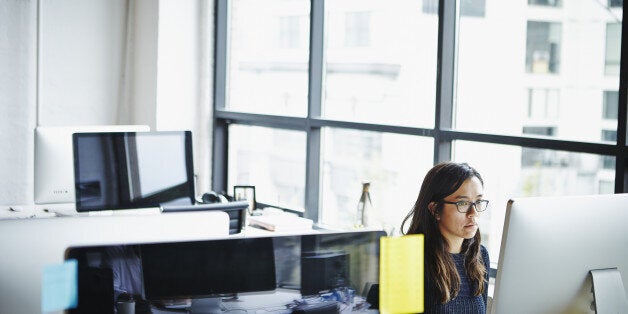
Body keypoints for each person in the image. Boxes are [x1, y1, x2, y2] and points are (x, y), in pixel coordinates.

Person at [401, 161, 490, 313]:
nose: (473, 212)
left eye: (478, 202)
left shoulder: (480, 255)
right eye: (462, 203)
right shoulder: (408, 256)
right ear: (435, 209)